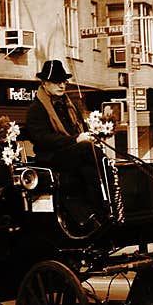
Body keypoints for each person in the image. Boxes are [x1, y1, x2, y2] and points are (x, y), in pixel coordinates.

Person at [24, 59, 106, 227]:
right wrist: (75, 140)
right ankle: (95, 210)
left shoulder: (70, 105)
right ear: (45, 83)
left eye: (64, 81)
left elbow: (81, 128)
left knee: (91, 159)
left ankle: (101, 206)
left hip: (72, 154)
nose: (62, 85)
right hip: (51, 157)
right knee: (86, 149)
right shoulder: (36, 109)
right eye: (57, 82)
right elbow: (42, 139)